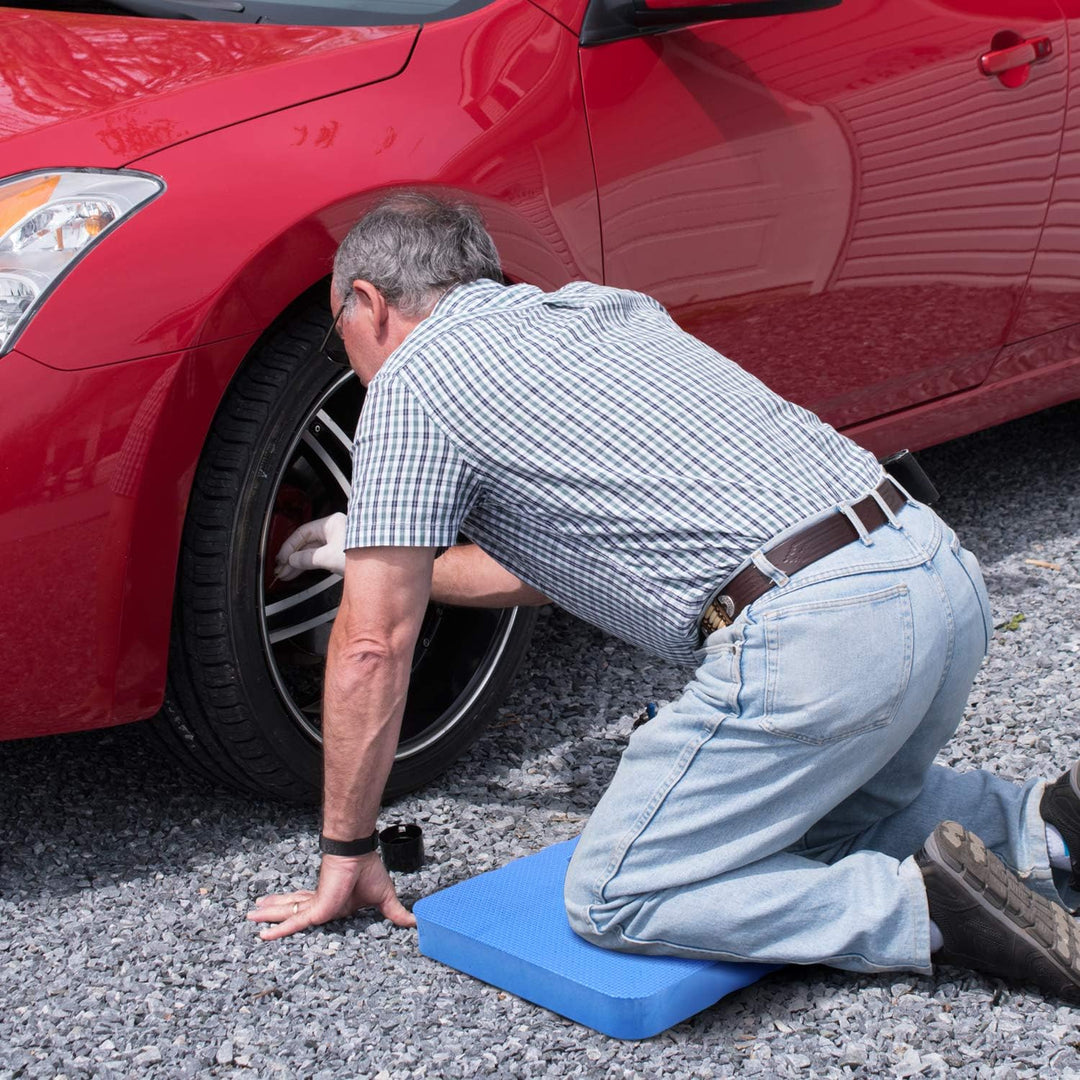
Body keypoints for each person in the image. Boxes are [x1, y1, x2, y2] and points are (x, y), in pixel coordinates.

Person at [247, 190, 1080, 1002]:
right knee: (815, 818)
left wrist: (347, 848)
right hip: (931, 570)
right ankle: (1046, 828)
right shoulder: (601, 310)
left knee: (618, 893)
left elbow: (371, 645)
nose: (348, 354)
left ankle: (927, 913)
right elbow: (546, 573)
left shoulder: (414, 379)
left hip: (822, 635)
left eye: (339, 333)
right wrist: (358, 552)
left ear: (367, 301)